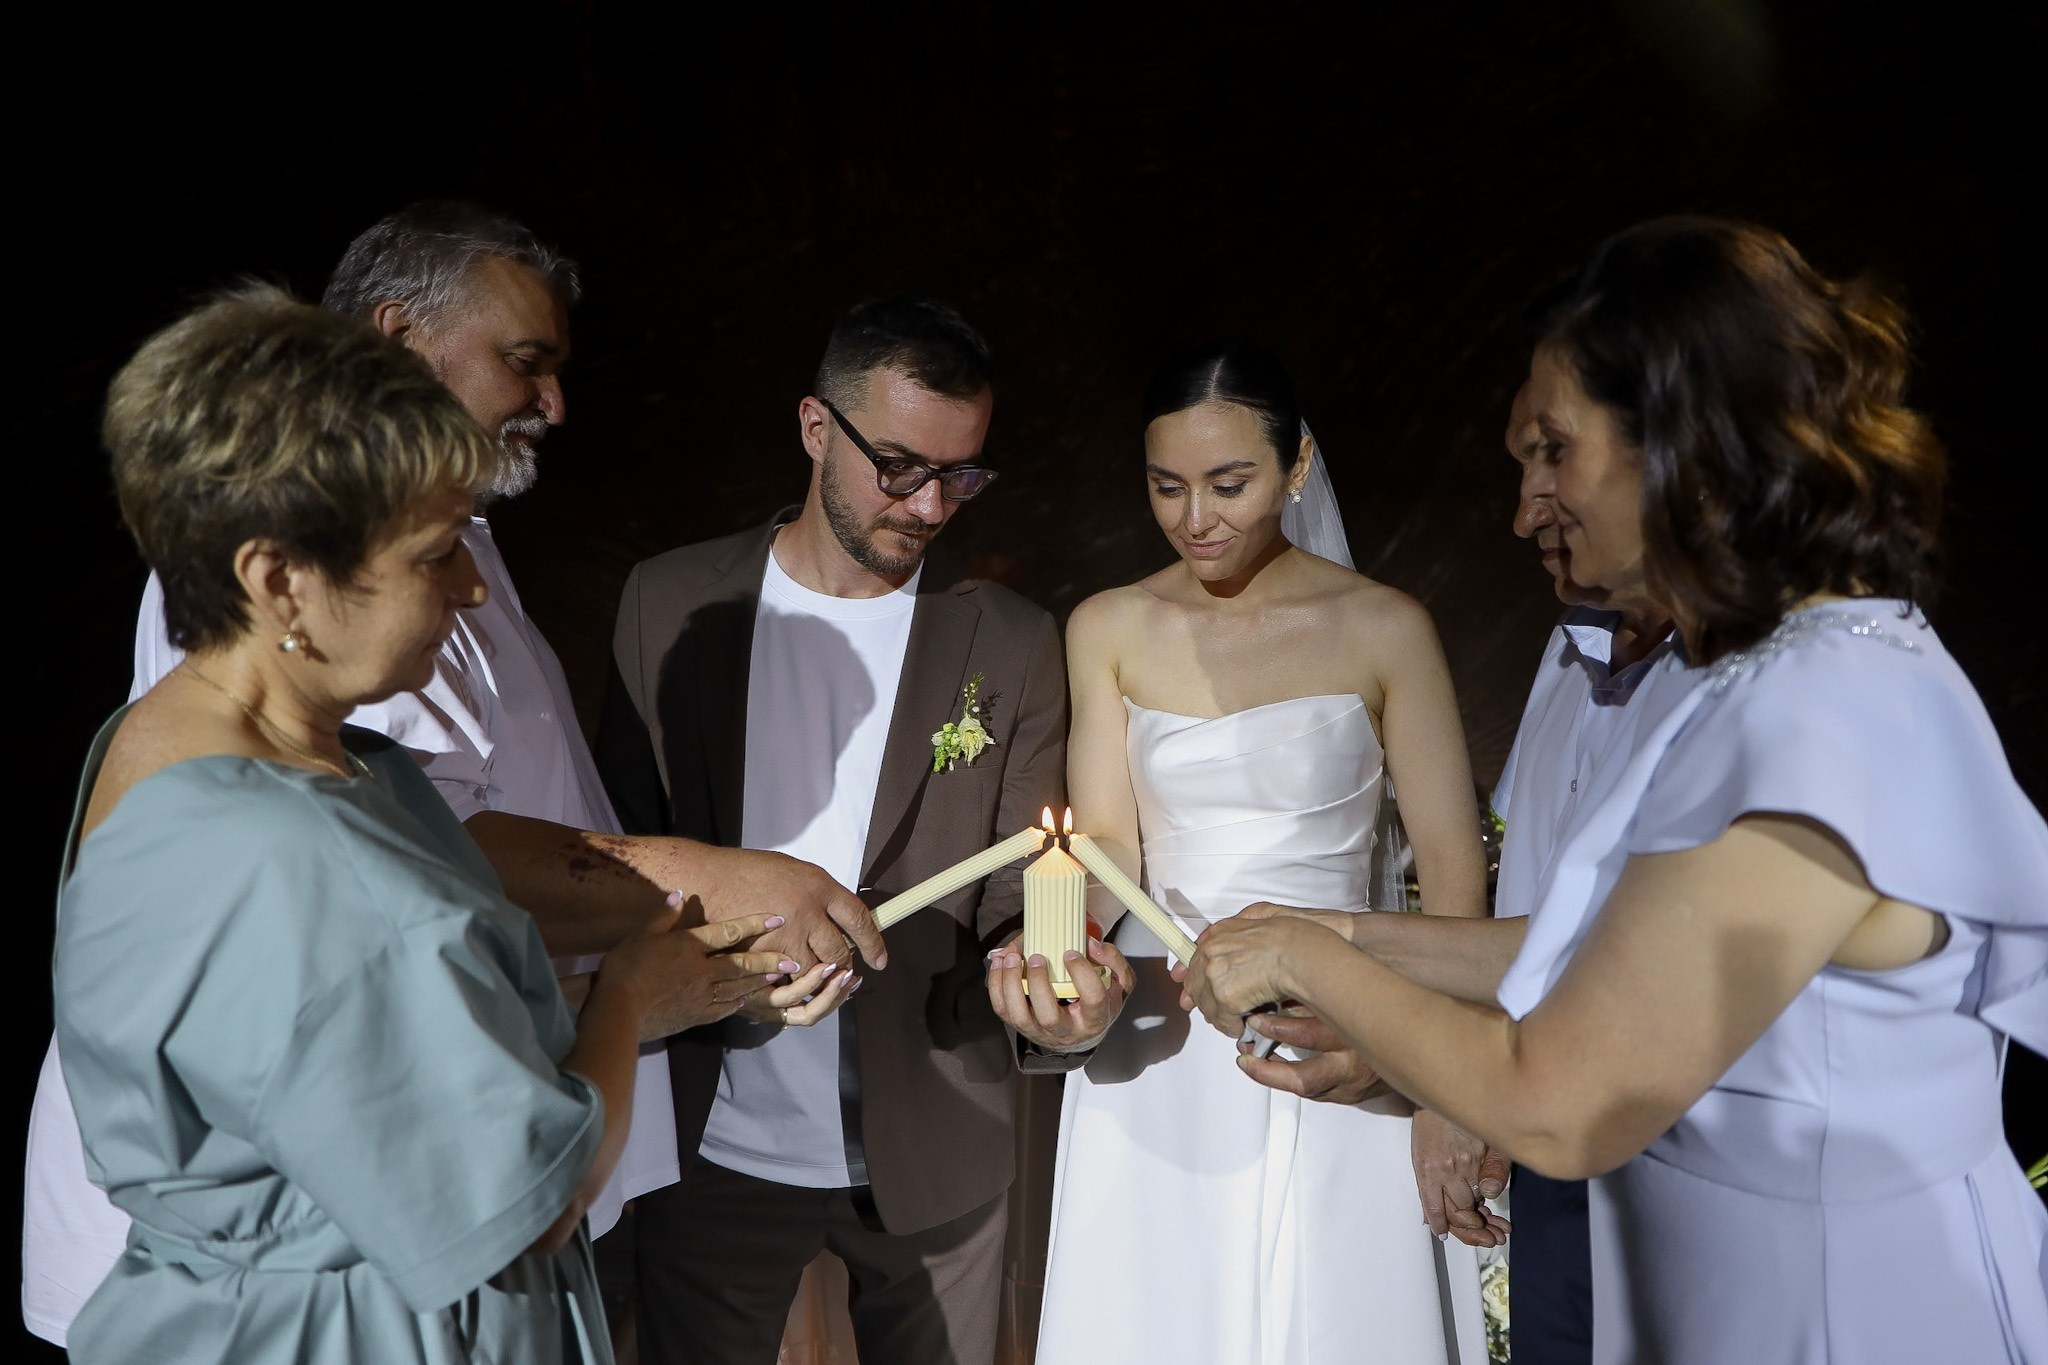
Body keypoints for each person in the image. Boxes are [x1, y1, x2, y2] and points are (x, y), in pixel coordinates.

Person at [1186, 218, 2048, 1364]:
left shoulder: (1827, 713)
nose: (1523, 506)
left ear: (1686, 438)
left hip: (1834, 1309)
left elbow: (1561, 1106)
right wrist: (1344, 954)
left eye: (1552, 450)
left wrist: (1307, 959)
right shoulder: (1760, 680)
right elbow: (1603, 956)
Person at [23, 201, 875, 1350]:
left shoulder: (196, 749)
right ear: (278, 581)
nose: (469, 588)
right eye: (434, 558)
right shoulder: (322, 854)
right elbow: (515, 1195)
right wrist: (630, 998)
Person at [595, 295, 1107, 1364]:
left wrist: (1054, 994)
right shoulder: (668, 600)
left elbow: (1024, 897)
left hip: (939, 1142)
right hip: (708, 1135)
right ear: (815, 426)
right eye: (901, 467)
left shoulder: (1010, 640)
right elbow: (619, 856)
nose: (929, 506)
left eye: (960, 476)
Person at [1022, 342, 1491, 1364]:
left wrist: (1444, 1085)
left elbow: (1453, 876)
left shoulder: (1385, 628)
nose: (1196, 518)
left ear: (1297, 465)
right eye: (1167, 486)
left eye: (1228, 485)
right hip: (1162, 1036)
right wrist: (1055, 948)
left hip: (1345, 1024)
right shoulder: (1109, 624)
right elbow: (1106, 843)